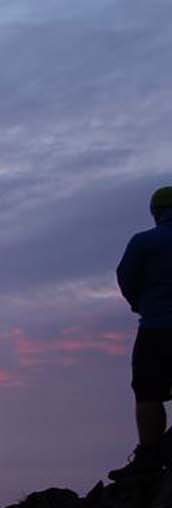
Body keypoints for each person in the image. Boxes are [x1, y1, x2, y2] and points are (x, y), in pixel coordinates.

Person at [109, 186, 172, 481]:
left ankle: (148, 457)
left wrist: (140, 303)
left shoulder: (144, 242)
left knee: (148, 392)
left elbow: (125, 277)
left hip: (156, 328)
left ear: (156, 212)